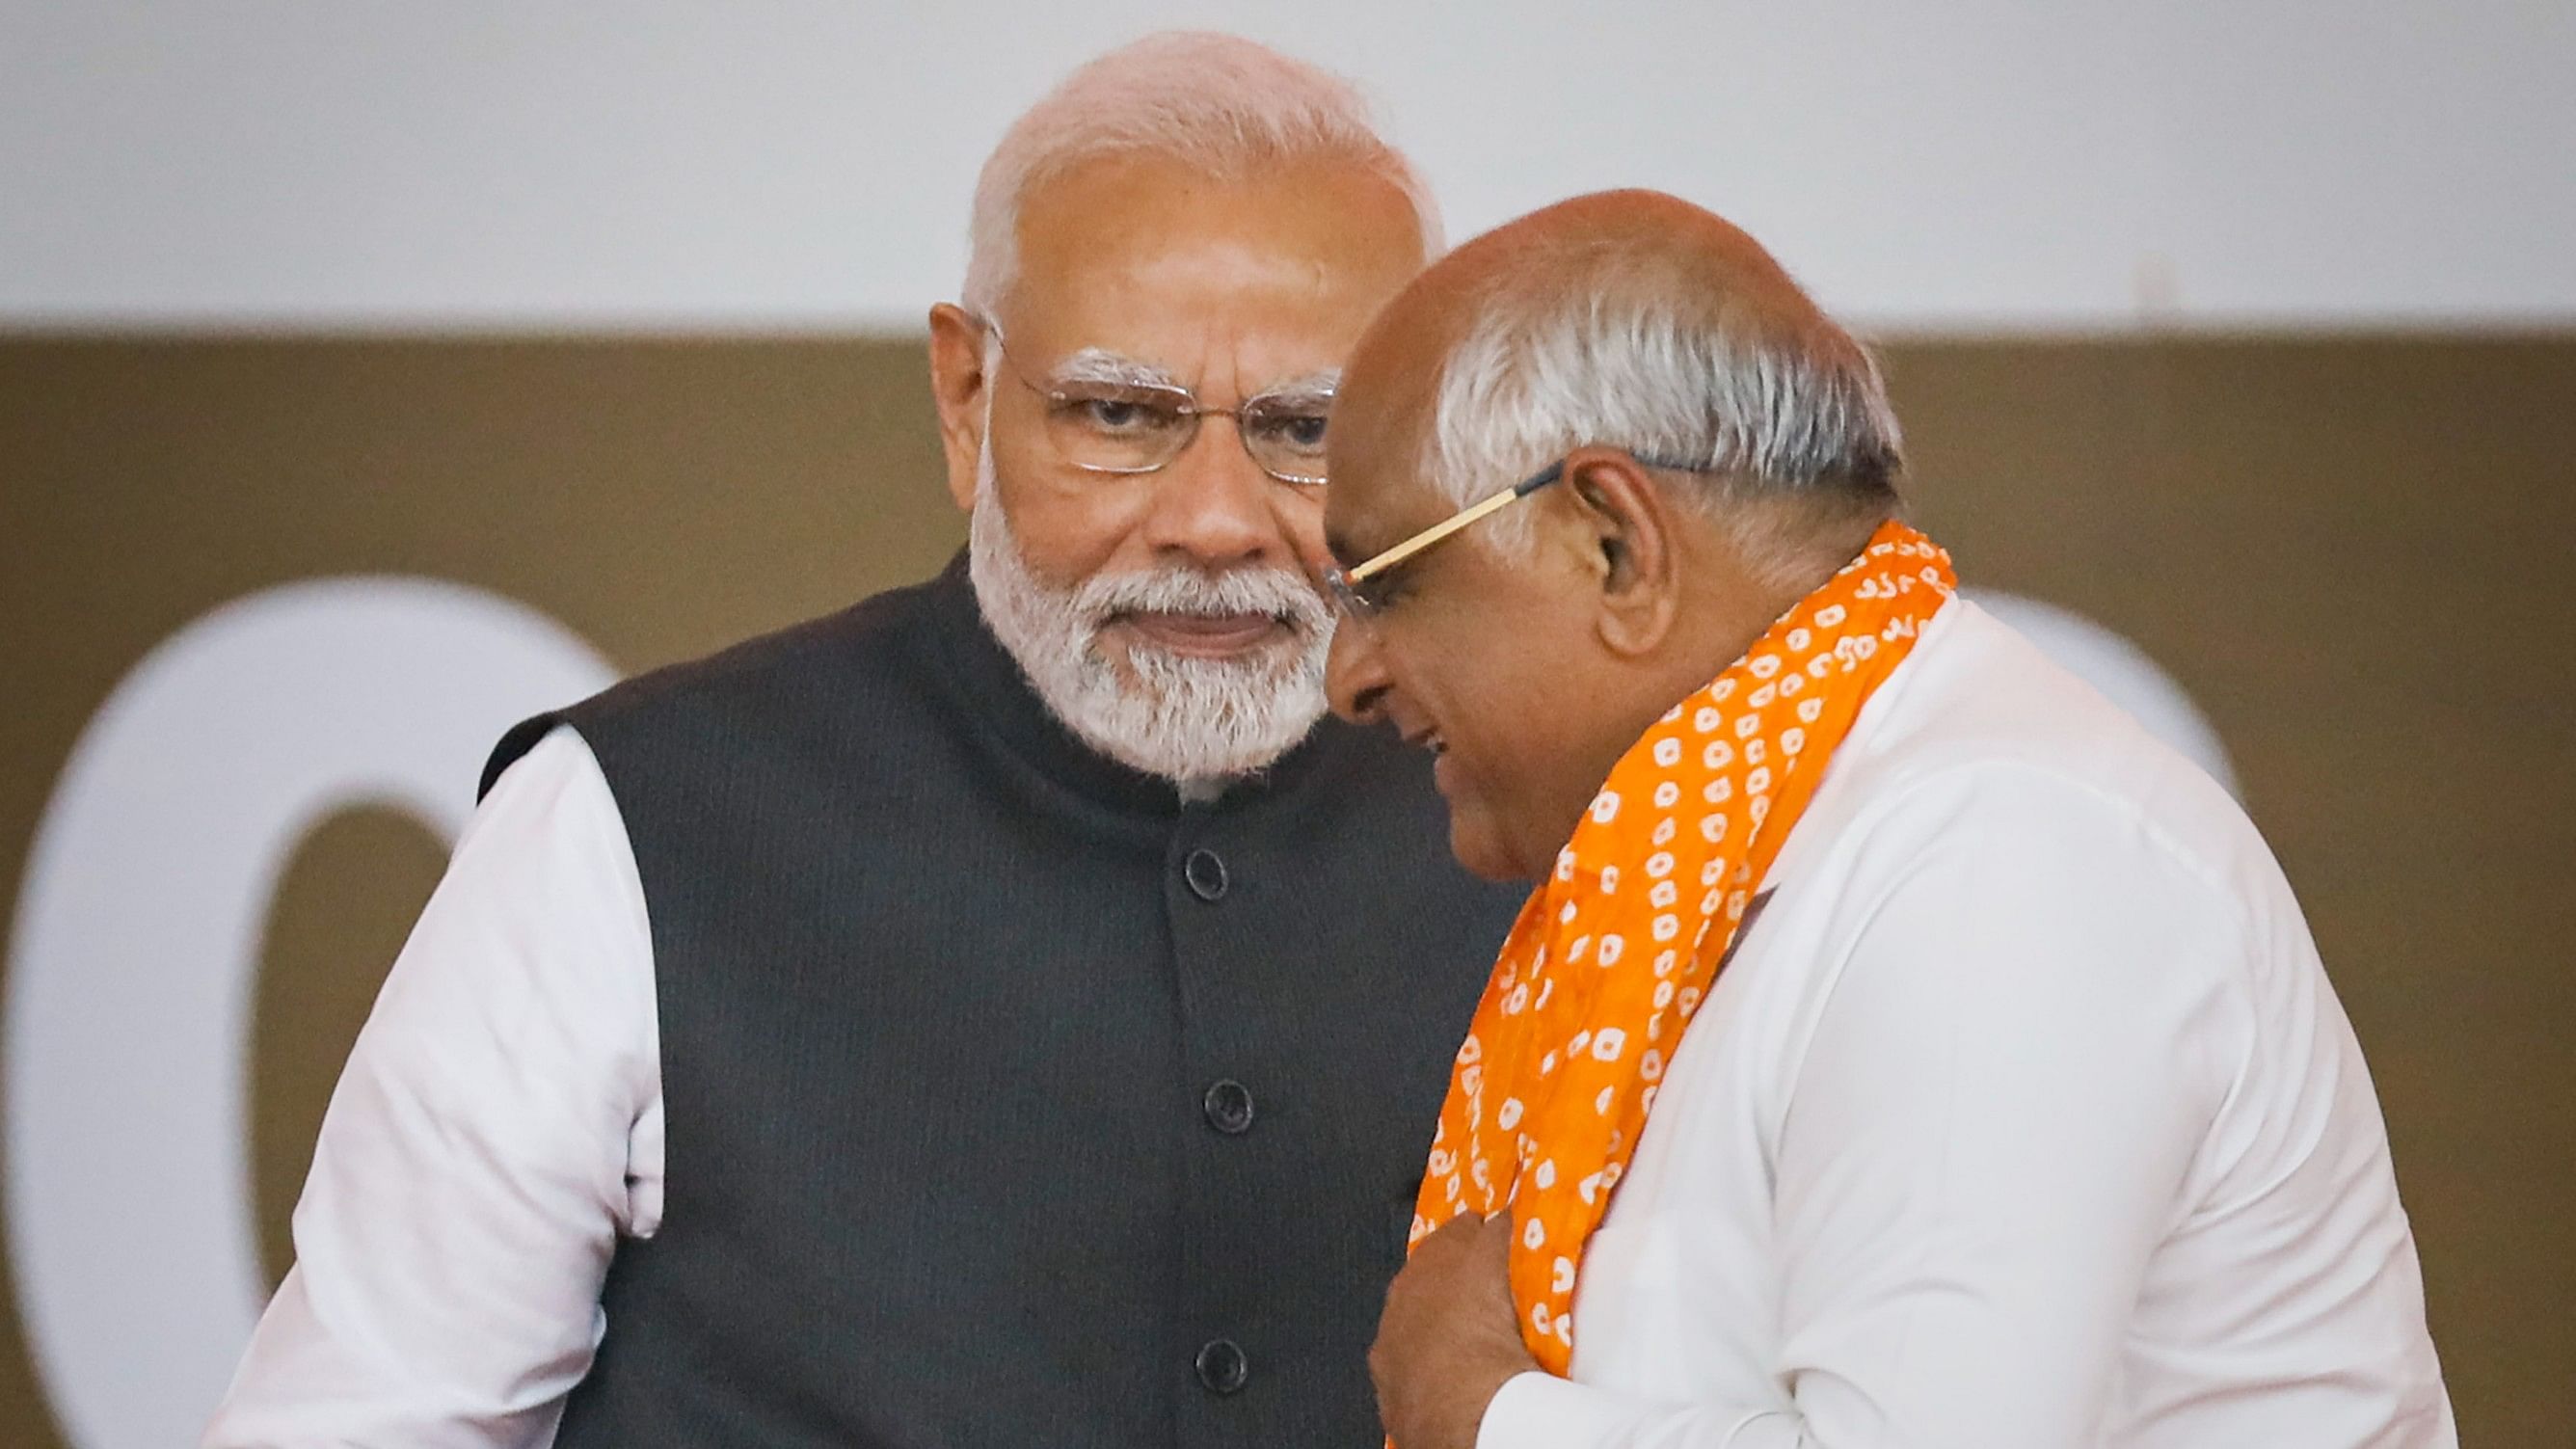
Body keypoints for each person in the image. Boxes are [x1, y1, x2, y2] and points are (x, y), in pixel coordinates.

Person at [204, 33, 1524, 1449]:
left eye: (1307, 427)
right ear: (965, 400)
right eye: (1120, 416)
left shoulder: (1571, 833)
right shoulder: (625, 830)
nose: (1213, 519)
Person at [1323, 190, 2455, 1448]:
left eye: (1384, 583)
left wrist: (1487, 1419)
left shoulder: (1998, 853)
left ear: (1615, 547)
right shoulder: (1726, 870)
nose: (1348, 676)